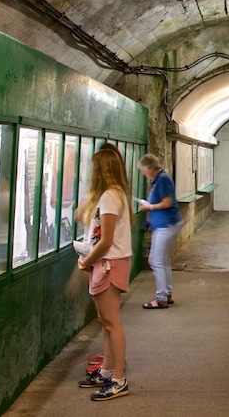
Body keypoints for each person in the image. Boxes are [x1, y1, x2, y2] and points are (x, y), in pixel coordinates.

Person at [75, 149, 132, 401]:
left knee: (112, 323)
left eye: (93, 168)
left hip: (109, 263)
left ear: (101, 170)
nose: (90, 172)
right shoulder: (113, 194)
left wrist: (86, 261)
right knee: (106, 322)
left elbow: (106, 240)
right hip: (108, 262)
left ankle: (118, 379)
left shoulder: (110, 196)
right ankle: (107, 370)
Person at [138, 154, 181, 309]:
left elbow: (167, 202)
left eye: (144, 171)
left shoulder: (162, 179)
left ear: (151, 168)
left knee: (155, 261)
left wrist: (150, 207)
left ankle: (161, 298)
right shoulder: (159, 180)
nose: (143, 174)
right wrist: (150, 220)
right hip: (163, 224)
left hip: (165, 225)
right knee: (162, 261)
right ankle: (167, 294)